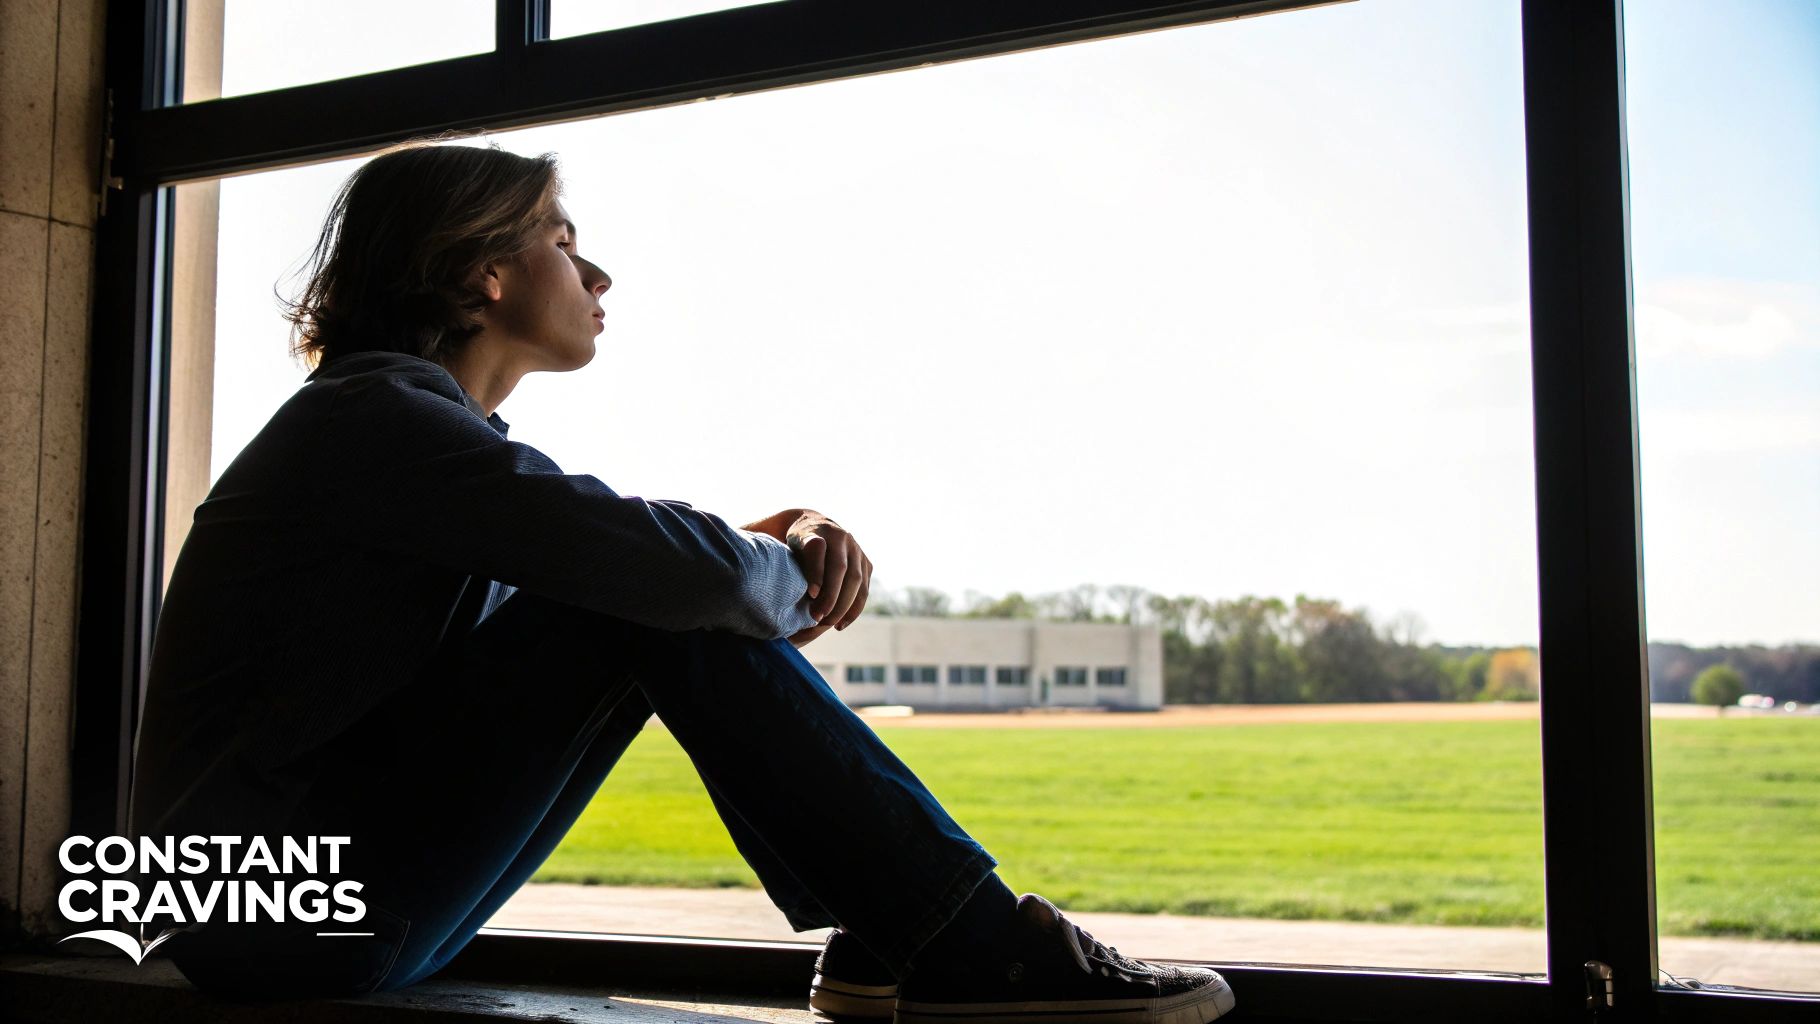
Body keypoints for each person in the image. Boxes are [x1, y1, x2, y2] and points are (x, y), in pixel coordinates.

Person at [129, 140, 1235, 1023]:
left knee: (648, 592)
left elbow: (629, 569)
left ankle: (909, 931)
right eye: (565, 240)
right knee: (648, 596)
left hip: (271, 912)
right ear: (486, 271)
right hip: (268, 918)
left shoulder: (406, 442)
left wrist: (772, 541)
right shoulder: (378, 423)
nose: (598, 273)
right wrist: (780, 564)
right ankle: (965, 942)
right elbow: (655, 576)